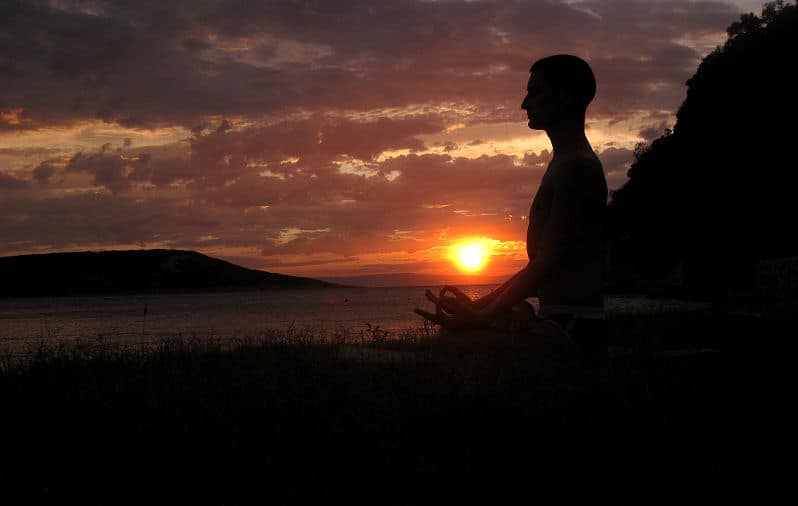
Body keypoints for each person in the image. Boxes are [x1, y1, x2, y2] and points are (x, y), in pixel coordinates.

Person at [415, 54, 608, 354]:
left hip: (573, 326)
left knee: (450, 347)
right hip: (557, 318)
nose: (524, 103)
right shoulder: (563, 163)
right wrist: (478, 305)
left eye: (535, 91)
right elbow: (540, 265)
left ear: (566, 95)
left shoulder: (577, 168)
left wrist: (480, 316)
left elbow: (547, 264)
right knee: (453, 340)